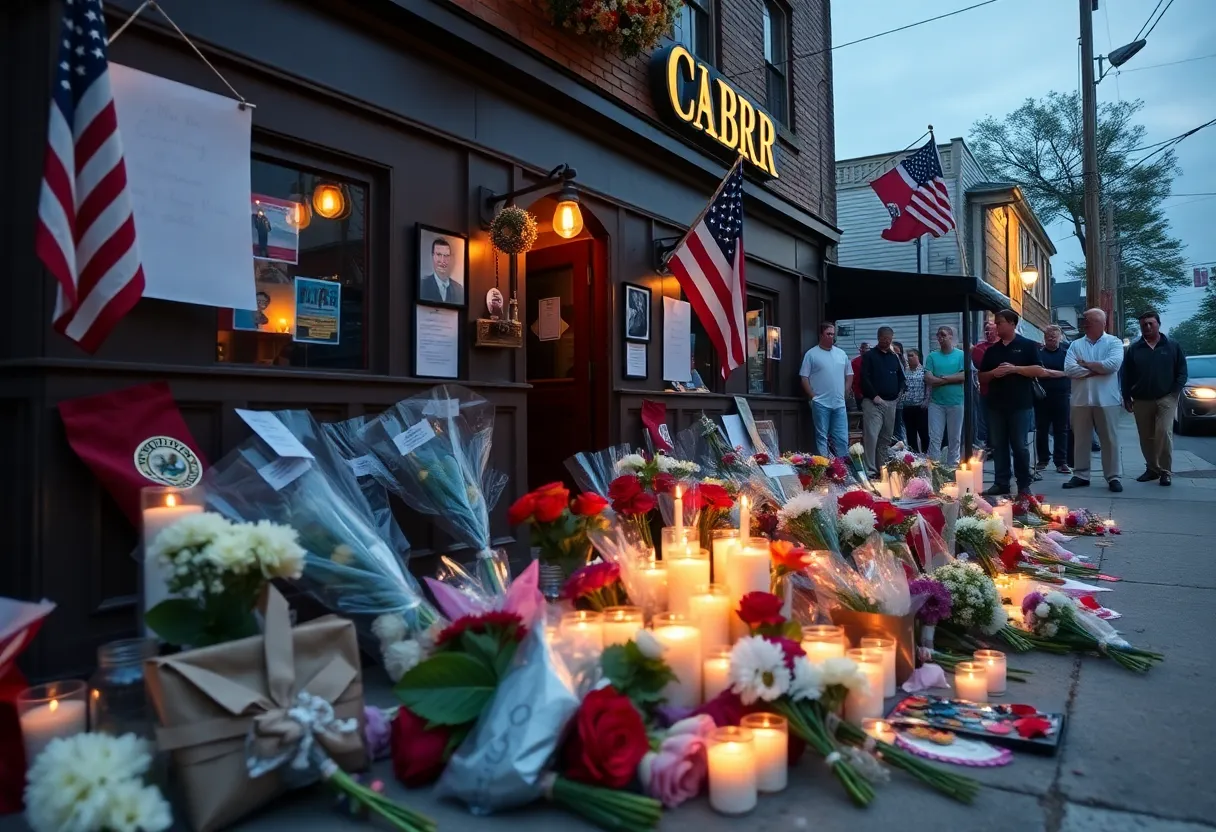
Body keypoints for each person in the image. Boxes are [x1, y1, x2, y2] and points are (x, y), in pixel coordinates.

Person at [978, 309, 1048, 498]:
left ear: (1012, 323)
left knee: (1020, 445)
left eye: (1000, 322)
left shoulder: (1027, 346)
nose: (996, 326)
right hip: (995, 405)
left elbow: (1039, 370)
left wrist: (1015, 369)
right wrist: (994, 373)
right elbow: (981, 376)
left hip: (1020, 404)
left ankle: (1023, 484)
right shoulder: (992, 350)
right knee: (998, 445)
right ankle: (1001, 482)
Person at [1121, 310, 1188, 486]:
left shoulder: (1172, 346)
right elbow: (1126, 374)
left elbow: (1182, 371)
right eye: (1144, 324)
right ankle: (1152, 469)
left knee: (1163, 432)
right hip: (1141, 399)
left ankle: (1165, 471)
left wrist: (1175, 392)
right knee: (1146, 436)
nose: (1148, 327)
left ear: (1158, 324)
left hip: (1166, 397)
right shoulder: (1135, 349)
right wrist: (1126, 396)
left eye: (1151, 323)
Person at [1061, 309, 1124, 492]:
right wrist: (1098, 370)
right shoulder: (1075, 345)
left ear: (1100, 323)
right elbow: (1069, 370)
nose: (1084, 323)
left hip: (1107, 400)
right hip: (1080, 400)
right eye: (1084, 320)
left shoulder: (1114, 343)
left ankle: (1113, 476)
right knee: (1080, 439)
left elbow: (1113, 365)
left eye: (1088, 320)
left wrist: (1085, 364)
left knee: (1109, 439)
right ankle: (1080, 475)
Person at [799, 322, 853, 457]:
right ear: (821, 335)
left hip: (839, 403)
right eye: (828, 334)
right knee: (821, 436)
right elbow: (804, 377)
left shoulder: (841, 354)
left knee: (841, 437)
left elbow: (849, 374)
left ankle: (842, 467)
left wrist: (845, 391)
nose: (832, 337)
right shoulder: (811, 354)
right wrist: (813, 396)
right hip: (821, 402)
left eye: (833, 334)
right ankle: (825, 465)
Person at [860, 327, 905, 475]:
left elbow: (901, 376)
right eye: (884, 338)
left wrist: (899, 393)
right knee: (872, 435)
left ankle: (883, 468)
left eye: (889, 338)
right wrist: (874, 396)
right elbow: (864, 378)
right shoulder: (869, 356)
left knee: (886, 437)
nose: (886, 341)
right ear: (878, 337)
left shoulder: (895, 357)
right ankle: (870, 470)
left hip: (891, 402)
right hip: (873, 402)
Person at [925, 325, 966, 467]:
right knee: (935, 437)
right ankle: (934, 467)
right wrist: (949, 379)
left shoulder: (961, 355)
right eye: (938, 335)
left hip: (956, 402)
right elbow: (928, 379)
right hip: (936, 403)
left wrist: (943, 379)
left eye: (943, 335)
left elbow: (964, 375)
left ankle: (953, 468)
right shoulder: (932, 356)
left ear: (950, 336)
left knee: (955, 437)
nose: (940, 338)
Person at [1035, 325, 1073, 473]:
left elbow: (1071, 372)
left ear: (1060, 337)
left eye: (1054, 335)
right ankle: (1043, 460)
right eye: (1048, 335)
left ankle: (1061, 462)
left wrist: (1049, 372)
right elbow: (1039, 372)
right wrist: (1061, 373)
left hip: (1062, 396)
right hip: (1042, 396)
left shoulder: (1067, 353)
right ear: (1044, 337)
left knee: (1061, 429)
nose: (1051, 337)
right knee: (1042, 429)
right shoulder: (1038, 354)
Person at [971, 320, 999, 449]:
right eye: (987, 331)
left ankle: (1000, 445)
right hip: (986, 389)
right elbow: (980, 366)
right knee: (986, 419)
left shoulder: (1002, 345)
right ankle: (990, 445)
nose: (989, 333)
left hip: (1002, 391)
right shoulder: (979, 348)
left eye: (991, 331)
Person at [420, 237, 464, 304]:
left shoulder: (459, 289)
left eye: (446, 256)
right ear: (433, 256)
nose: (442, 261)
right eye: (439, 255)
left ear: (450, 258)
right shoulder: (422, 285)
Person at [901, 349, 929, 453]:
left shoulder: (924, 371)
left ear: (918, 357)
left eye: (912, 355)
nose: (909, 358)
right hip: (907, 407)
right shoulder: (904, 371)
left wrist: (926, 401)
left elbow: (928, 387)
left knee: (924, 433)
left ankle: (926, 455)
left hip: (920, 406)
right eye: (908, 356)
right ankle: (914, 456)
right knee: (910, 433)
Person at [892, 341, 908, 444]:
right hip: (889, 401)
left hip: (899, 402)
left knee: (898, 424)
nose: (896, 355)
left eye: (898, 353)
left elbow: (903, 383)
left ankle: (902, 445)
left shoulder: (903, 365)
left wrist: (898, 398)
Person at [849, 342, 869, 408]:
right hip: (859, 393)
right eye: (862, 349)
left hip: (872, 394)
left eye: (866, 349)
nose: (864, 351)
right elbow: (852, 378)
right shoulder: (854, 362)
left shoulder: (874, 361)